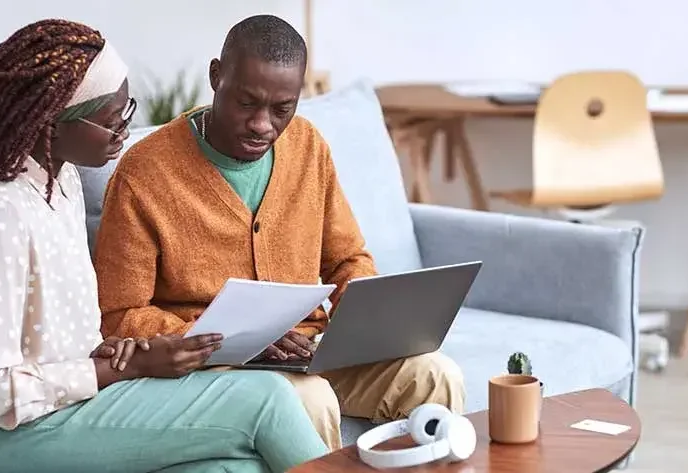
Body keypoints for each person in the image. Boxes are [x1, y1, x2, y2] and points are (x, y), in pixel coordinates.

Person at [0, 19, 328, 473]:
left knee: (235, 468)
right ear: (51, 124)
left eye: (127, 113)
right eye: (113, 122)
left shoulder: (61, 181)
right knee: (266, 400)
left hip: (56, 403)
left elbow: (53, 340)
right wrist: (123, 370)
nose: (124, 133)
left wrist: (131, 352)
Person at [92, 14, 466, 452]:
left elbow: (348, 259)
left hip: (313, 349)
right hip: (218, 366)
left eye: (282, 109)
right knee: (310, 399)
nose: (262, 124)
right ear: (217, 76)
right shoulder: (144, 172)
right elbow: (118, 314)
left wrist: (364, 318)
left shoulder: (308, 147)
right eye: (246, 103)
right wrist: (234, 337)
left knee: (436, 374)